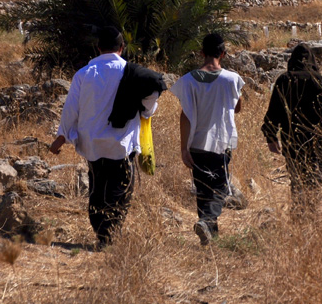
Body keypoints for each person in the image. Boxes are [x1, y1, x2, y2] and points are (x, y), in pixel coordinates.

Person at [48, 26, 164, 248]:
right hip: (120, 146)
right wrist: (146, 111)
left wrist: (61, 138)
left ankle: (103, 234)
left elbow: (70, 109)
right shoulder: (132, 73)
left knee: (97, 188)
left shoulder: (83, 74)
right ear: (122, 48)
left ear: (98, 48)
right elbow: (153, 91)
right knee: (120, 190)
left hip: (92, 145)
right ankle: (109, 236)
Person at [171, 33, 247, 245]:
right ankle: (206, 222)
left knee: (203, 187)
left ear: (202, 53)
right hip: (221, 142)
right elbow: (238, 107)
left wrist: (184, 148)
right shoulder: (231, 79)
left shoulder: (187, 81)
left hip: (196, 143)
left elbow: (185, 115)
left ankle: (209, 234)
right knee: (220, 187)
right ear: (222, 53)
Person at [262, 44, 322, 219]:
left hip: (292, 141)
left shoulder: (285, 80)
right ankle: (313, 216)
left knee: (297, 179)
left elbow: (273, 112)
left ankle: (299, 216)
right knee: (316, 178)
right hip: (317, 141)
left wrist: (271, 137)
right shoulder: (321, 80)